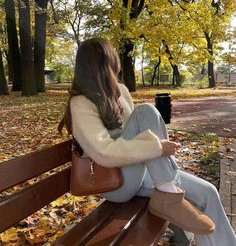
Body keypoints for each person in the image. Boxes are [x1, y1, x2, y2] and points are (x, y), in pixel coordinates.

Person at [58, 38, 236, 246]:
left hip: (140, 173)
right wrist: (157, 148)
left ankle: (171, 194)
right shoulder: (80, 103)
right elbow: (103, 153)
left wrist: (156, 150)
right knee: (146, 111)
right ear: (107, 63)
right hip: (115, 184)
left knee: (208, 192)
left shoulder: (121, 92)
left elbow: (138, 133)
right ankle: (169, 193)